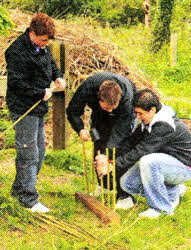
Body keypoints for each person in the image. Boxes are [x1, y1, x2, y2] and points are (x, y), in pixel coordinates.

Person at [95, 89, 191, 218]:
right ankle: (171, 192)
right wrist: (108, 158)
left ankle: (161, 208)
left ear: (152, 110)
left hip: (184, 168)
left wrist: (114, 166)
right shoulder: (150, 120)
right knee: (127, 183)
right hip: (167, 164)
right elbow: (131, 143)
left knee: (148, 161)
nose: (138, 117)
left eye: (140, 114)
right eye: (136, 113)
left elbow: (141, 150)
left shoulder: (164, 125)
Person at [5, 12, 65, 212]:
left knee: (39, 152)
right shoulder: (16, 52)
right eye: (43, 39)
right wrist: (40, 92)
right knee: (28, 153)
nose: (45, 43)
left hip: (38, 108)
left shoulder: (42, 47)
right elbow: (16, 82)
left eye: (47, 41)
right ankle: (28, 199)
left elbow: (52, 65)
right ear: (32, 33)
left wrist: (58, 77)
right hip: (24, 108)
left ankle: (19, 190)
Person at [66, 71, 137, 207]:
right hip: (99, 115)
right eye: (107, 107)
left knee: (120, 149)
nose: (110, 110)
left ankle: (124, 194)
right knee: (99, 143)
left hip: (123, 117)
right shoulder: (88, 87)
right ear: (99, 99)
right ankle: (104, 185)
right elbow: (72, 110)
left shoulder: (126, 97)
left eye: (112, 107)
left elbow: (121, 131)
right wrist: (80, 128)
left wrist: (107, 153)